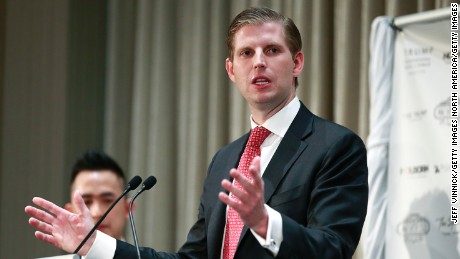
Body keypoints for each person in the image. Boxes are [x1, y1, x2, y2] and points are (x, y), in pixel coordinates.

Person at [25, 7, 368, 259]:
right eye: (247, 53)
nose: (259, 62)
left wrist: (265, 222)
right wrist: (93, 243)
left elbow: (333, 250)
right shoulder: (225, 160)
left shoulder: (335, 146)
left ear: (297, 63)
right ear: (231, 70)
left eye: (272, 50)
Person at [64, 150, 130, 240]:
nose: (97, 212)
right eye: (86, 202)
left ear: (128, 208)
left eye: (107, 200)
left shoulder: (146, 254)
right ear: (70, 213)